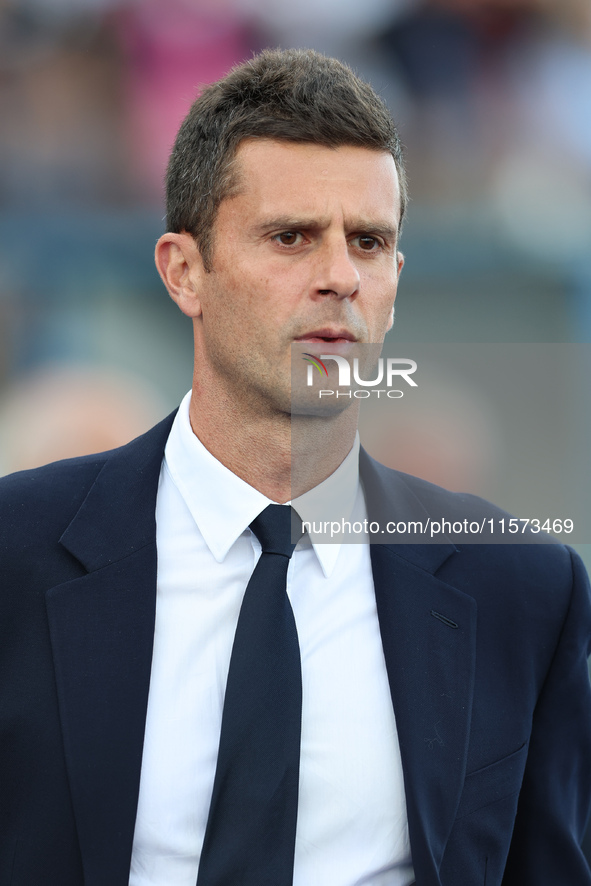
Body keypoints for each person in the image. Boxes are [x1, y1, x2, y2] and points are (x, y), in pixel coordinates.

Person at [0, 48, 590, 886]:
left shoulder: (522, 592)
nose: (339, 277)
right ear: (183, 271)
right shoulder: (16, 552)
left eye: (369, 242)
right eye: (290, 237)